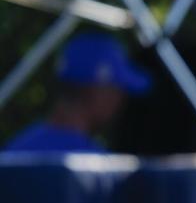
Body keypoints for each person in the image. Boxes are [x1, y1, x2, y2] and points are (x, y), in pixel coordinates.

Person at [2, 32, 150, 154]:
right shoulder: (101, 170)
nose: (121, 100)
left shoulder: (14, 150)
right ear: (97, 91)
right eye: (117, 89)